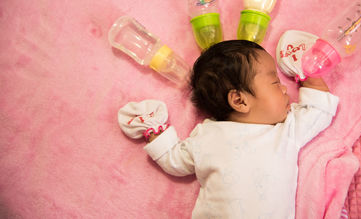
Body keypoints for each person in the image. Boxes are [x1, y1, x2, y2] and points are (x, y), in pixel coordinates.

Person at [118, 40, 339, 218]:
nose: (284, 88)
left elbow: (318, 111)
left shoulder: (286, 129)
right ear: (240, 100)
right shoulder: (208, 135)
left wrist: (311, 74)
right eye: (275, 82)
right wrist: (154, 129)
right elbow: (175, 160)